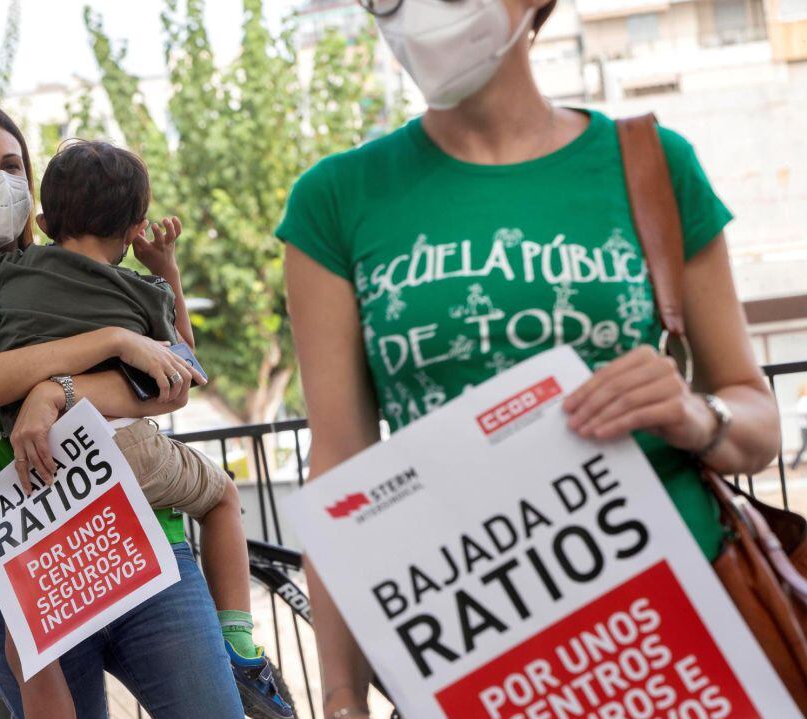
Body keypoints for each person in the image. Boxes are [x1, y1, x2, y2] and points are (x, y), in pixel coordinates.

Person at [277, 1, 781, 717]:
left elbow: (759, 422)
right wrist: (340, 697)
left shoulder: (653, 165)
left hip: (677, 629)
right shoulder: (335, 200)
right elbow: (340, 471)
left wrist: (699, 414)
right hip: (477, 645)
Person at [0, 139, 293, 719]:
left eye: (12, 167)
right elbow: (184, 366)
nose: (0, 182)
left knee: (26, 645)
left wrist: (50, 391)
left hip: (76, 516)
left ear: (44, 214)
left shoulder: (10, 272)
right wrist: (153, 291)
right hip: (101, 487)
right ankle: (240, 641)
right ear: (135, 228)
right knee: (223, 495)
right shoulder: (138, 289)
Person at [790, 384, 807, 470]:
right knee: (804, 446)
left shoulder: (802, 400)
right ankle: (794, 464)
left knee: (804, 446)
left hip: (804, 426)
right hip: (805, 427)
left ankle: (794, 464)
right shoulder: (803, 400)